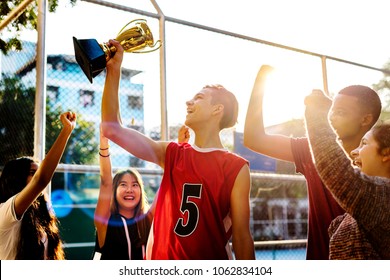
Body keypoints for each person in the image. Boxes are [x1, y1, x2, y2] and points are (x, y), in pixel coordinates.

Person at [101, 39, 255, 260]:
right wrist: (114, 70)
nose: (188, 102)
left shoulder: (236, 167)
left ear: (217, 109)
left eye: (199, 98)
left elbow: (241, 237)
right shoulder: (172, 153)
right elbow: (112, 128)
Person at [243, 65, 382, 259]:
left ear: (365, 119)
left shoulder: (382, 163)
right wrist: (261, 81)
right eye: (330, 111)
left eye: (340, 112)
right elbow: (253, 138)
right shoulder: (312, 151)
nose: (331, 117)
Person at [304, 89, 390, 259]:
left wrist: (317, 112)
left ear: (386, 153)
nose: (354, 152)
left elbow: (336, 170)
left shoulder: (384, 199)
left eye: (364, 144)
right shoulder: (346, 218)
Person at [0, 111, 76, 260]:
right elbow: (41, 180)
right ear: (16, 178)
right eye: (32, 173)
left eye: (38, 172)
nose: (37, 176)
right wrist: (66, 131)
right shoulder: (5, 211)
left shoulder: (39, 214)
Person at [93, 126, 152, 260]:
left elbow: (166, 188)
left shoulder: (148, 219)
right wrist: (103, 145)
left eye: (135, 185)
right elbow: (106, 181)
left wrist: (180, 148)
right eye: (123, 185)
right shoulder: (106, 221)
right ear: (114, 191)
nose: (129, 189)